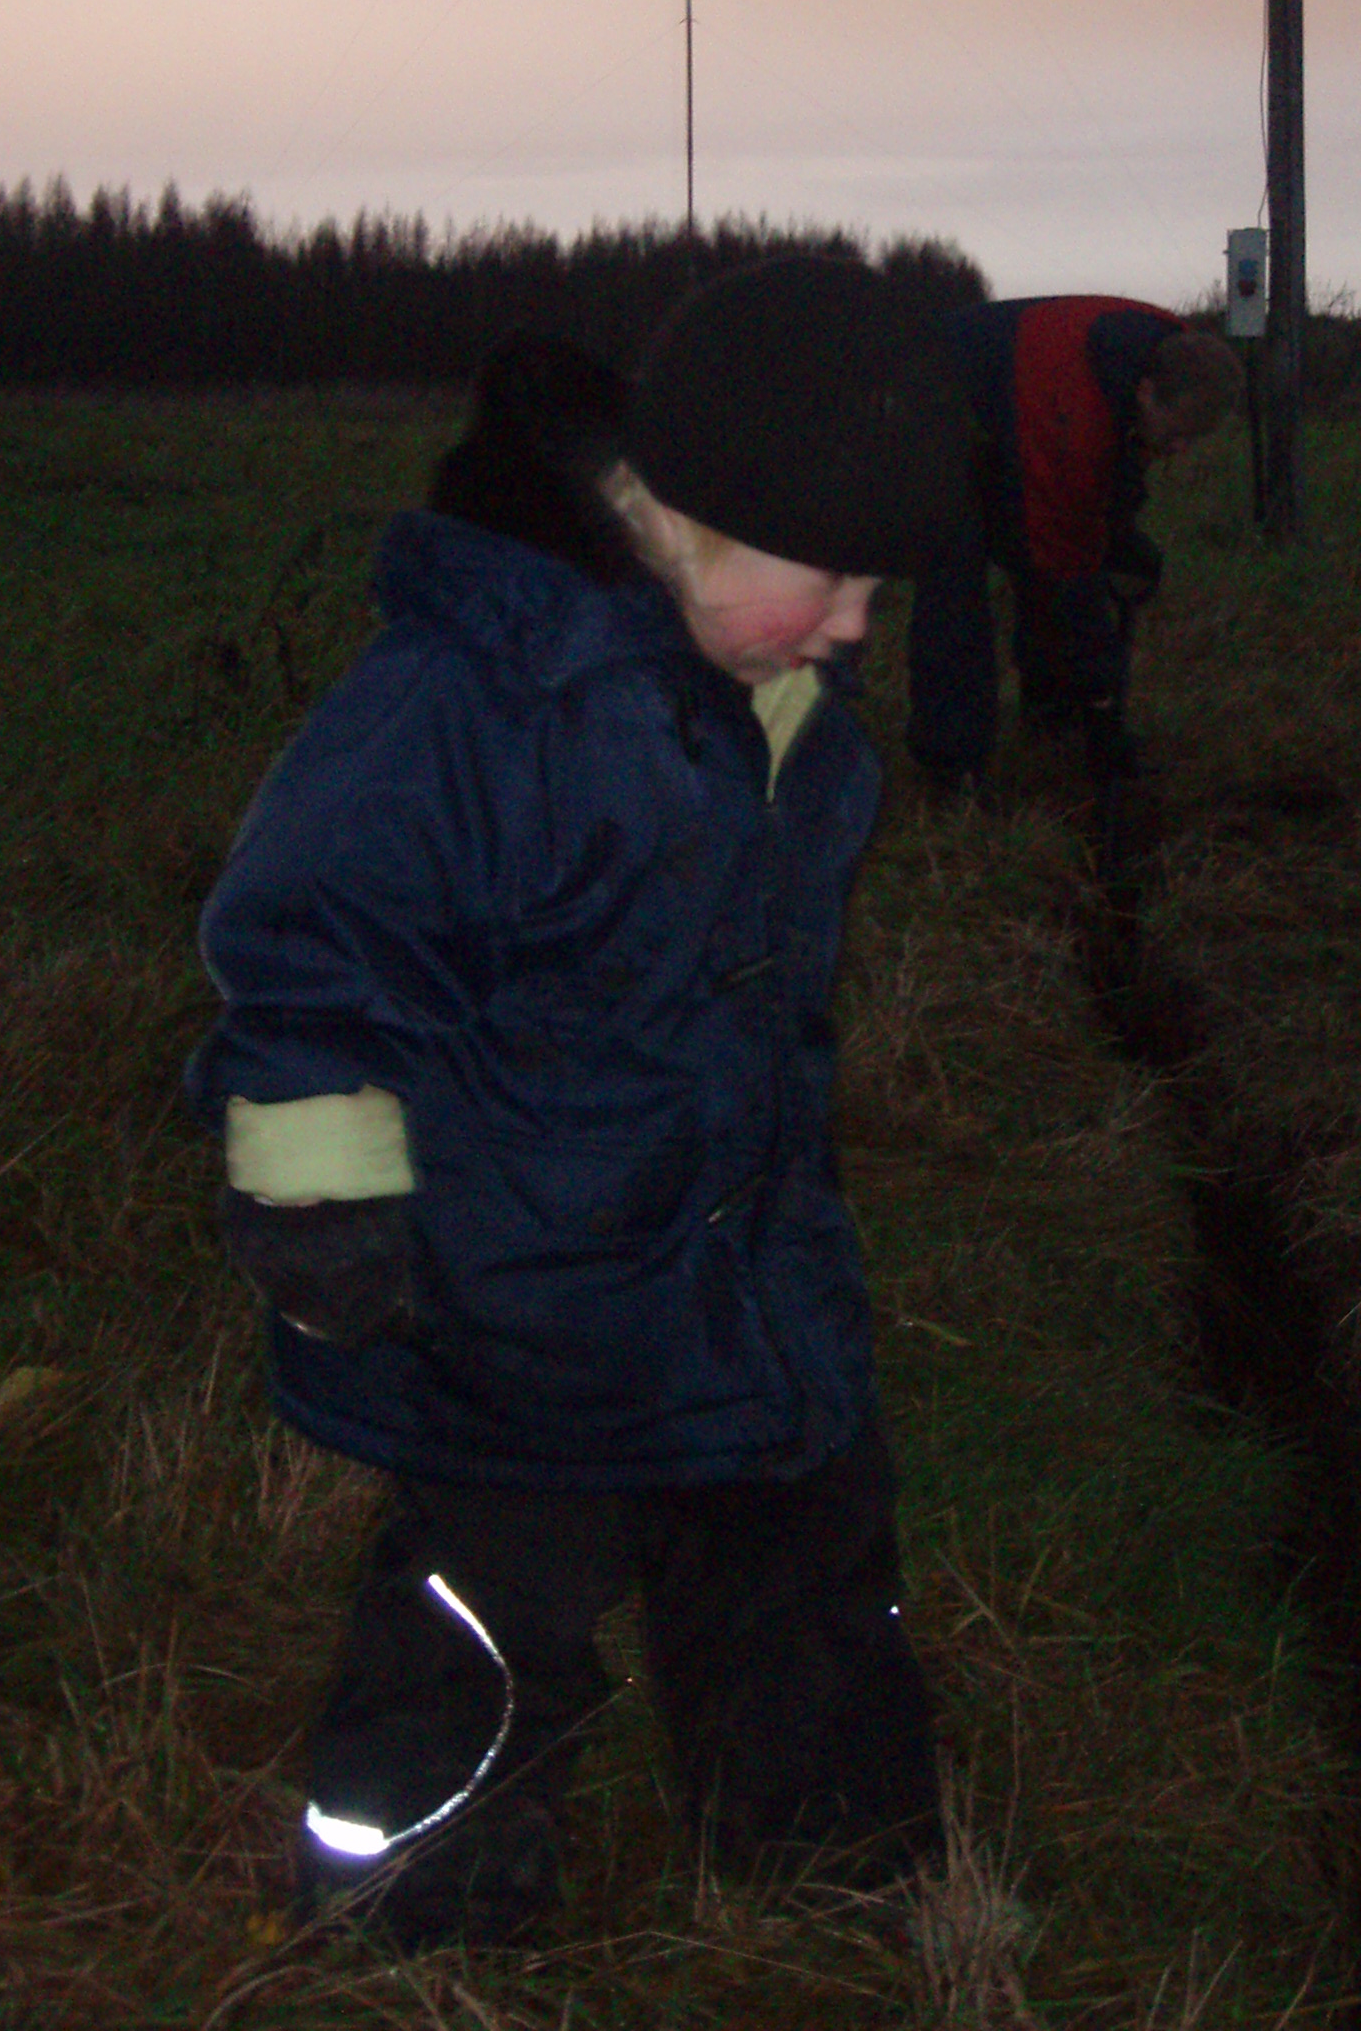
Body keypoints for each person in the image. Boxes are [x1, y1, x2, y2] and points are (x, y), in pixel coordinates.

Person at [186, 256, 971, 1949]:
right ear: (680, 520)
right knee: (483, 1618)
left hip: (744, 1287)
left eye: (876, 594)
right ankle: (421, 1905)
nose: (850, 627)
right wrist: (317, 1191)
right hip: (515, 1315)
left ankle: (830, 1863)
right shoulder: (470, 706)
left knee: (809, 1569)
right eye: (826, 577)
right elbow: (310, 951)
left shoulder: (786, 722)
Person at [905, 296, 1240, 792]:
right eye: (1177, 434)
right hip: (918, 407)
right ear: (1146, 394)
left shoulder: (1174, 354)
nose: (1178, 451)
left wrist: (1120, 541)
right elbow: (1067, 556)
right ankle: (952, 768)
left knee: (1045, 561)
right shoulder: (1074, 411)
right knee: (956, 580)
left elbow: (1115, 473)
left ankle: (1053, 719)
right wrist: (1104, 698)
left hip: (1004, 407)